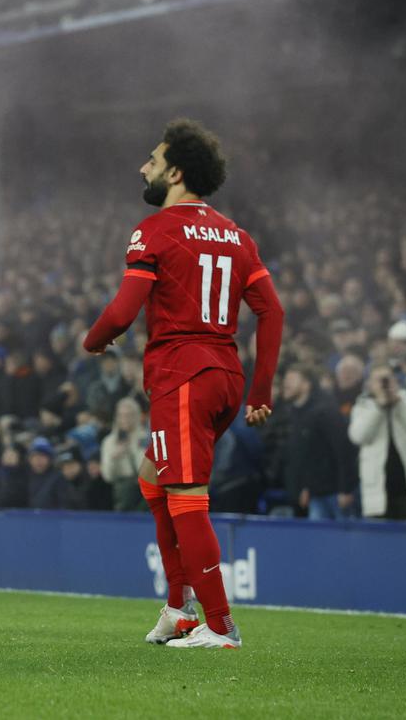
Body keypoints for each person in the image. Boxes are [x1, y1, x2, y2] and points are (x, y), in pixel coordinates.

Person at [83, 119, 284, 650]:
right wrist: (260, 392)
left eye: (151, 160)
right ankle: (178, 608)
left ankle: (219, 626)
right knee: (155, 480)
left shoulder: (154, 231)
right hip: (225, 377)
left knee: (187, 498)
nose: (142, 168)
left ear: (175, 172)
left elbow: (124, 310)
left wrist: (93, 340)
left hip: (183, 375)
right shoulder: (238, 237)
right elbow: (273, 312)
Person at [348, 364, 406, 520]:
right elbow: (358, 436)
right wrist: (379, 407)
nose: (384, 384)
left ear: (395, 381)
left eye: (387, 379)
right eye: (378, 380)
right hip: (379, 491)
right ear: (370, 384)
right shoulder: (363, 406)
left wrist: (400, 403)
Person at [274, 365, 357, 519]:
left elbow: (343, 450)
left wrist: (345, 489)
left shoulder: (325, 411)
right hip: (315, 494)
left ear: (306, 384)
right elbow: (305, 456)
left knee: (346, 539)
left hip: (335, 493)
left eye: (291, 379)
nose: (285, 384)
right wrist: (306, 487)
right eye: (285, 380)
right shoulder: (294, 413)